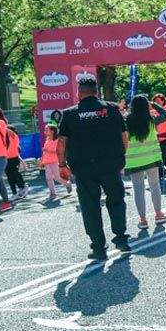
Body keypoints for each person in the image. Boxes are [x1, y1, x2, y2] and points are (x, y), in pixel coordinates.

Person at [57, 74, 129, 261]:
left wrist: (62, 165)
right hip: (110, 165)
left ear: (79, 93)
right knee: (116, 201)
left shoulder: (70, 114)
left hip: (83, 169)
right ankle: (121, 239)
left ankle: (98, 248)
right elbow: (124, 137)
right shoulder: (112, 109)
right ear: (96, 92)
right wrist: (122, 156)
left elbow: (62, 143)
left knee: (90, 207)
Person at [124, 95, 166, 230]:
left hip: (133, 160)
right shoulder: (151, 120)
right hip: (151, 158)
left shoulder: (127, 121)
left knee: (138, 190)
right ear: (147, 106)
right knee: (155, 186)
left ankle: (143, 220)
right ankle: (158, 214)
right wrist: (153, 104)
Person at [40, 124, 70, 200]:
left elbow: (58, 151)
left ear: (52, 131)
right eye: (45, 130)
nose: (45, 132)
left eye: (47, 130)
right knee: (48, 178)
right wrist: (42, 161)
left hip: (55, 161)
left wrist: (47, 150)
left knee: (57, 177)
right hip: (47, 162)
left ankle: (67, 184)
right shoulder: (47, 140)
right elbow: (44, 152)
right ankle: (52, 193)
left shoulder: (58, 140)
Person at [4, 123, 28, 199]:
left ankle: (23, 186)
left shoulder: (14, 137)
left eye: (8, 130)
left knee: (15, 174)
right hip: (5, 159)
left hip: (14, 159)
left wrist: (1, 125)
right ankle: (14, 192)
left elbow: (10, 132)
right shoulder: (4, 139)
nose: (7, 132)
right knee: (9, 177)